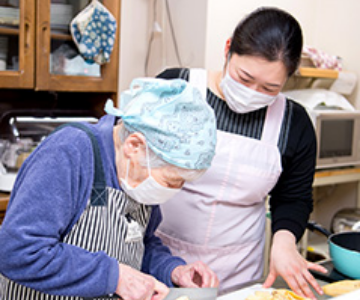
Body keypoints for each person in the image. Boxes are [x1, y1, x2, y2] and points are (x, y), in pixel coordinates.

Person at [155, 7, 327, 300]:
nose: (253, 92)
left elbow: (293, 199)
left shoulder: (293, 123)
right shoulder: (175, 88)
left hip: (236, 270)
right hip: (157, 256)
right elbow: (125, 162)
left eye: (270, 87)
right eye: (244, 78)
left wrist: (284, 244)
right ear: (228, 49)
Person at [0, 78, 219, 300]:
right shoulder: (69, 152)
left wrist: (172, 269)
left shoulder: (138, 177)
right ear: (134, 145)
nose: (174, 190)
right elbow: (18, 251)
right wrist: (114, 277)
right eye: (171, 181)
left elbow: (140, 244)